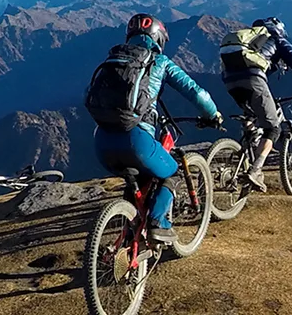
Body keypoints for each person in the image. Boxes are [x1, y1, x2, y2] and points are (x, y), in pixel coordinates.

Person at [87, 13, 222, 244]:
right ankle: (159, 222)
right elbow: (196, 93)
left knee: (137, 182)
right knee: (172, 171)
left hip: (101, 142)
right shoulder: (159, 62)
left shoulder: (114, 60)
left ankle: (129, 233)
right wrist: (213, 115)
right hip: (136, 141)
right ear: (158, 38)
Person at [220, 16, 292, 192]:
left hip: (229, 81)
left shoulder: (252, 45)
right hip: (253, 79)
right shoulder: (278, 40)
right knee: (273, 129)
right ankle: (255, 170)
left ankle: (247, 144)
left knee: (252, 115)